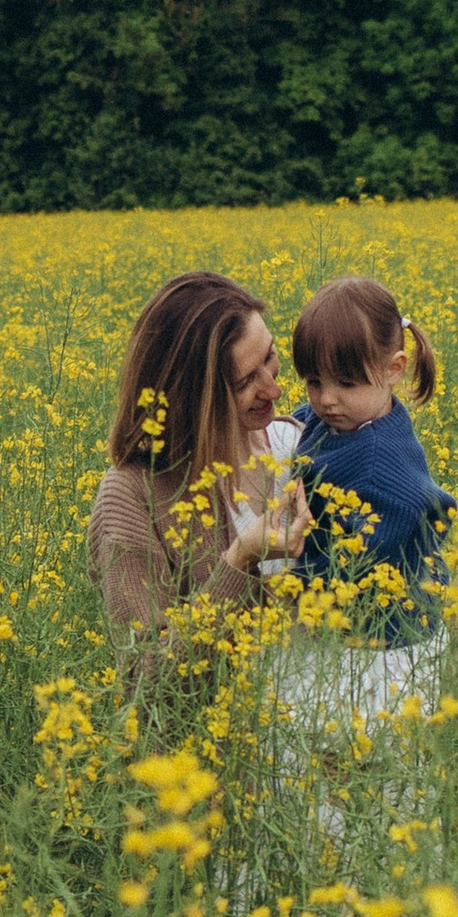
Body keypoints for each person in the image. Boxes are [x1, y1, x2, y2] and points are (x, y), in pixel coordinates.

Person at [87, 270, 309, 683]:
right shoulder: (135, 497)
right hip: (218, 743)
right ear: (194, 397)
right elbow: (144, 677)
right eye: (245, 382)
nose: (274, 390)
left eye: (270, 357)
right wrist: (239, 560)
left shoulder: (297, 445)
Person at [288, 277, 454, 688]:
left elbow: (359, 562)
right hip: (352, 632)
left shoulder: (380, 464)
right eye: (314, 382)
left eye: (345, 383)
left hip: (389, 646)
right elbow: (304, 424)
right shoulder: (340, 417)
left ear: (393, 369)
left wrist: (293, 590)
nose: (326, 399)